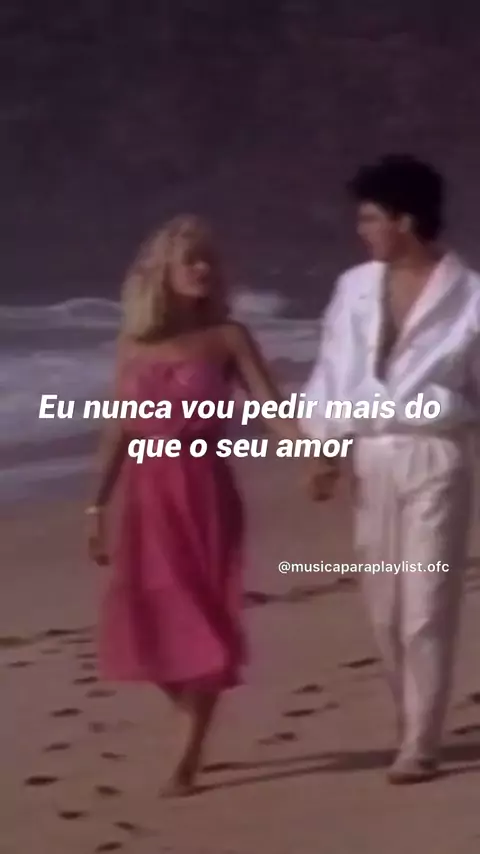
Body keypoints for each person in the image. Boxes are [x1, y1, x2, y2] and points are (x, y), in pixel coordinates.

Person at [85, 214, 330, 797]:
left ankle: (189, 752)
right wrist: (95, 507)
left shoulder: (227, 338)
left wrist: (310, 455)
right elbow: (119, 428)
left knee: (204, 615)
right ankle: (187, 708)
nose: (202, 269)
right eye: (190, 260)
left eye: (208, 261)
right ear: (162, 272)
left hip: (204, 494)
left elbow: (271, 408)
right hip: (147, 498)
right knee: (146, 616)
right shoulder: (133, 346)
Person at [302, 154, 480, 784]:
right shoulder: (354, 287)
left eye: (371, 218)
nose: (363, 231)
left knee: (426, 600)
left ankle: (420, 742)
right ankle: (408, 719)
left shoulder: (470, 293)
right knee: (384, 605)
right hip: (372, 455)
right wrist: (322, 449)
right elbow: (333, 371)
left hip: (435, 451)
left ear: (405, 220)